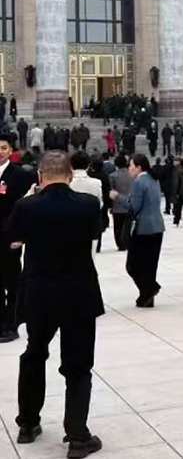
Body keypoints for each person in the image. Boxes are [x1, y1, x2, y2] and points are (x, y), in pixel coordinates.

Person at [7, 152, 104, 458]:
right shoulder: (88, 204)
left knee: (34, 354)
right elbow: (96, 232)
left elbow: (12, 238)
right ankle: (77, 436)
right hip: (78, 292)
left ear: (40, 176)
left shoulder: (26, 206)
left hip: (39, 292)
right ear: (71, 176)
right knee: (78, 365)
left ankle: (28, 423)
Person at [110, 154, 164, 308]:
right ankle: (146, 296)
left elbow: (133, 207)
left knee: (133, 265)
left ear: (139, 167)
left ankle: (150, 289)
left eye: (131, 165)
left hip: (143, 228)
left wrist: (117, 197)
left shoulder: (139, 182)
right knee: (150, 265)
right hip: (157, 226)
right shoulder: (153, 179)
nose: (129, 168)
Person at [0, 134, 36, 343]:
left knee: (12, 282)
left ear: (10, 151)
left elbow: (26, 208)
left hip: (10, 237)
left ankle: (12, 324)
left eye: (3, 148)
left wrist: (22, 236)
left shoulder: (20, 175)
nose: (0, 152)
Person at [69, 152, 104, 254]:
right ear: (88, 165)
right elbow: (100, 204)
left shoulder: (67, 183)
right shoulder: (96, 183)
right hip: (90, 223)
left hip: (71, 222)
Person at [108, 155, 134, 251]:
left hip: (117, 204)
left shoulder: (112, 176)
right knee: (128, 225)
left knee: (118, 226)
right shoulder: (132, 175)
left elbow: (111, 191)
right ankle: (127, 242)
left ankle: (120, 243)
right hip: (130, 203)